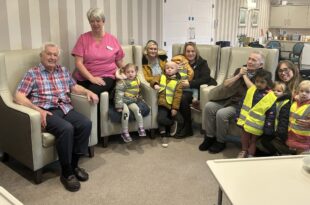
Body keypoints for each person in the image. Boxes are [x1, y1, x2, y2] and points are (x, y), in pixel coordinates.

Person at [14, 42, 99, 192]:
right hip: (47, 111)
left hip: (65, 107)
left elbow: (74, 87)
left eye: (55, 55)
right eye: (49, 54)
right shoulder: (33, 73)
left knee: (85, 123)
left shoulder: (63, 70)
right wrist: (37, 110)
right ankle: (66, 173)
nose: (52, 57)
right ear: (42, 55)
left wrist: (87, 92)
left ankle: (74, 166)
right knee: (66, 129)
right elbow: (18, 96)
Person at [71, 7, 125, 137]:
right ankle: (82, 127)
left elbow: (120, 61)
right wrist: (91, 78)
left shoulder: (112, 39)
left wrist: (126, 75)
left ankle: (95, 130)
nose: (95, 24)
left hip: (107, 75)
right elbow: (78, 63)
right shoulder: (83, 38)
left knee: (93, 92)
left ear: (103, 21)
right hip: (85, 76)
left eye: (98, 20)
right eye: (92, 21)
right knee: (76, 92)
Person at [200, 51, 265, 153]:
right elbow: (226, 84)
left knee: (222, 114)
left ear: (261, 65)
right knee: (209, 106)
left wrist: (244, 76)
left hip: (241, 105)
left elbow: (254, 91)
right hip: (229, 99)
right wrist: (239, 74)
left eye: (254, 60)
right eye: (249, 59)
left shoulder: (263, 75)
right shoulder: (239, 70)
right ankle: (209, 137)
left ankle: (220, 141)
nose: (250, 61)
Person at [177, 42, 217, 138]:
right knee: (176, 96)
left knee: (182, 98)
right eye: (188, 51)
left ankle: (188, 127)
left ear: (196, 52)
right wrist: (176, 69)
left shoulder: (202, 63)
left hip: (198, 89)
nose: (190, 53)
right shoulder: (181, 62)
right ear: (184, 52)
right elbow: (173, 74)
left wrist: (190, 83)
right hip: (184, 88)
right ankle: (181, 124)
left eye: (192, 51)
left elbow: (206, 78)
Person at [236, 70, 276, 158]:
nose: (258, 84)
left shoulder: (270, 96)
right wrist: (237, 115)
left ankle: (250, 154)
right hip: (245, 121)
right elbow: (242, 103)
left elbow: (271, 114)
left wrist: (268, 127)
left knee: (253, 140)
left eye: (262, 82)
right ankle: (243, 151)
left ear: (267, 83)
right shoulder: (251, 90)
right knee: (244, 138)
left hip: (257, 124)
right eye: (257, 81)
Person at [151, 61, 183, 148]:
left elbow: (177, 96)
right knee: (160, 118)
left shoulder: (178, 82)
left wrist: (175, 108)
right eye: (167, 68)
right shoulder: (161, 76)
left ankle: (172, 124)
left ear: (176, 70)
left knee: (177, 119)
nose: (169, 69)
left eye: (172, 68)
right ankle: (164, 135)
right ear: (164, 69)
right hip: (162, 103)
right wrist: (155, 84)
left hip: (171, 104)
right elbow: (153, 80)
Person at [114, 63, 147, 143]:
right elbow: (118, 93)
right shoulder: (122, 82)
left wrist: (140, 98)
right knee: (126, 112)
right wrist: (119, 106)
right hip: (123, 100)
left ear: (135, 72)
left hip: (131, 100)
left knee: (137, 110)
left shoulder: (137, 80)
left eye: (132, 72)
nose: (130, 74)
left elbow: (136, 91)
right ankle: (124, 132)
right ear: (124, 73)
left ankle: (141, 127)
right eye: (128, 72)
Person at [258, 81, 293, 155]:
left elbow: (284, 119)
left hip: (278, 130)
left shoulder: (285, 102)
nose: (275, 92)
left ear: (284, 93)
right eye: (274, 90)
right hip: (269, 127)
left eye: (279, 91)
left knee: (266, 142)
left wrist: (280, 132)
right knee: (261, 142)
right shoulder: (271, 100)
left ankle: (278, 153)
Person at [286, 80, 310, 153]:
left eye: (307, 92)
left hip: (305, 141)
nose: (303, 94)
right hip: (293, 137)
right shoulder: (295, 102)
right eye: (301, 91)